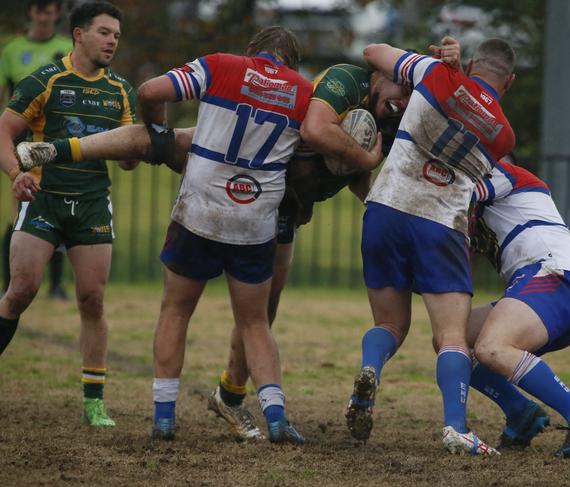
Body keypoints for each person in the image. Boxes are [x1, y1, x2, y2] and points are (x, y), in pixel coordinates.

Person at [14, 53, 421, 439]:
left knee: (265, 308)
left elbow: (348, 171)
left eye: (410, 95)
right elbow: (318, 132)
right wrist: (363, 162)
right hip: (263, 178)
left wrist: (379, 204)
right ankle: (61, 149)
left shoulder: (390, 120)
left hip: (282, 201)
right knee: (165, 141)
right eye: (399, 89)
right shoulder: (345, 81)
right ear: (379, 74)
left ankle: (229, 395)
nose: (402, 101)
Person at [134, 26, 316, 444]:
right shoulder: (304, 93)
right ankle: (276, 418)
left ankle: (164, 418)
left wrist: (158, 130)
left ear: (253, 51)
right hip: (254, 221)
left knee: (176, 310)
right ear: (292, 62)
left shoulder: (221, 66)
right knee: (254, 322)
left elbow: (148, 91)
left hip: (200, 208)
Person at [345, 38, 516, 455]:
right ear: (508, 82)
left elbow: (372, 52)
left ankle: (370, 369)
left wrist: (433, 64)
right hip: (440, 224)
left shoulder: (435, 73)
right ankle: (455, 428)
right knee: (452, 337)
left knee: (390, 325)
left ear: (472, 62)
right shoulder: (504, 134)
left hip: (385, 209)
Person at [0, 1, 137, 428]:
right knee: (21, 289)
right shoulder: (46, 79)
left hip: (93, 203)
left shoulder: (121, 90)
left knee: (92, 300)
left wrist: (135, 151)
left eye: (116, 33)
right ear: (79, 34)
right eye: (104, 32)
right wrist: (15, 174)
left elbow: (132, 156)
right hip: (45, 198)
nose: (112, 39)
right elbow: (5, 129)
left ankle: (94, 401)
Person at [461, 157, 570, 458]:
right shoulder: (480, 215)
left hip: (554, 276)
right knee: (452, 338)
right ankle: (520, 412)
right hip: (541, 287)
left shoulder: (508, 173)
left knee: (492, 347)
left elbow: (456, 194)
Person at [0, 0, 72, 298]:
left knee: (57, 203)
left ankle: (55, 285)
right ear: (30, 12)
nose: (45, 15)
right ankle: (10, 284)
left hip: (55, 138)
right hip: (22, 141)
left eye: (51, 9)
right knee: (21, 208)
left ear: (57, 14)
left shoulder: (68, 45)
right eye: (40, 8)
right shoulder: (12, 50)